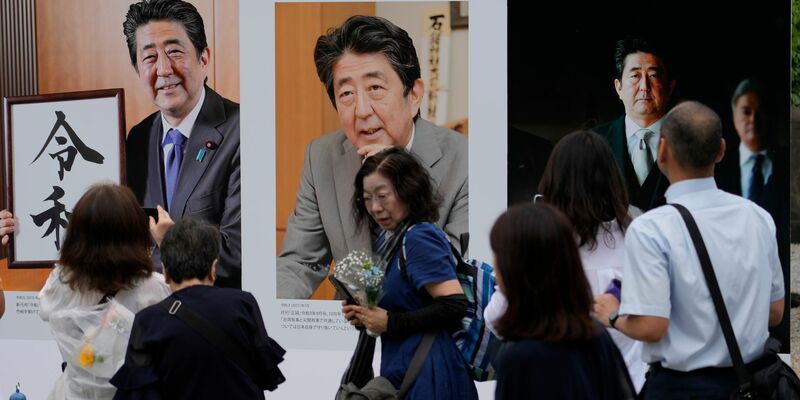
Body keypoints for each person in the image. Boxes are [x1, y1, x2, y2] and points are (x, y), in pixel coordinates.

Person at [594, 101, 785, 398]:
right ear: (721, 150)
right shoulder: (758, 217)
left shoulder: (650, 228)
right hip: (750, 385)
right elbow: (774, 313)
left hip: (679, 389)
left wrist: (613, 315)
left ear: (662, 151)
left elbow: (651, 326)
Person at [276, 15, 468, 299]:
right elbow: (300, 263)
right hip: (348, 330)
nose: (362, 110)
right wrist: (266, 318)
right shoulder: (322, 157)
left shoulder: (463, 159)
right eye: (347, 93)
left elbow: (452, 272)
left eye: (375, 88)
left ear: (413, 95)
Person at [122, 0, 241, 288]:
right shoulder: (138, 138)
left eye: (175, 52)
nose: (163, 69)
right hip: (148, 315)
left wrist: (171, 241)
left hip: (213, 317)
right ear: (138, 70)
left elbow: (237, 252)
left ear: (203, 58)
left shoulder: (241, 130)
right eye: (149, 58)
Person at [341, 148, 476, 399]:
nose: (375, 207)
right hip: (407, 370)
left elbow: (454, 305)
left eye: (382, 196)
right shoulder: (394, 240)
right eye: (367, 198)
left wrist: (390, 322)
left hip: (431, 374)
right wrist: (366, 316)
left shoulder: (419, 236)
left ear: (409, 192)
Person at [111, 218, 286, 399]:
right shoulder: (243, 304)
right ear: (213, 268)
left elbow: (140, 394)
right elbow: (265, 376)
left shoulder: (148, 321)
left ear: (165, 272)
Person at [38, 184, 171, 400]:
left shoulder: (60, 283)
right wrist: (167, 243)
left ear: (77, 234)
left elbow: (45, 309)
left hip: (73, 394)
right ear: (135, 231)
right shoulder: (153, 288)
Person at [490, 203, 635, 399]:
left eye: (499, 255)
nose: (494, 267)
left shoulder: (518, 358)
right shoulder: (595, 335)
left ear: (516, 269)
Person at [714, 78, 792, 341]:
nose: (753, 119)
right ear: (734, 114)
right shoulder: (717, 170)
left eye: (761, 112)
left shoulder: (789, 164)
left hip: (778, 301)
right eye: (746, 111)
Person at [593, 38, 675, 211]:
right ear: (618, 88)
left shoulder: (690, 142)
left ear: (669, 87)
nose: (644, 86)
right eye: (635, 76)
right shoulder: (594, 143)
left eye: (653, 76)